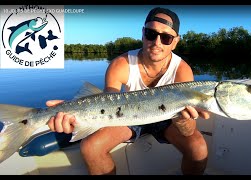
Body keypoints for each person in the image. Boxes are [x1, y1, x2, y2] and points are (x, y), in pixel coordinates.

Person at [46, 7, 211, 175]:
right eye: (151, 34)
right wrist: (76, 110)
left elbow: (188, 130)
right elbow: (107, 103)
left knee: (198, 148)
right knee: (90, 147)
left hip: (169, 118)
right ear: (142, 33)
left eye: (166, 38)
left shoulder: (182, 70)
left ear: (175, 41)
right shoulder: (121, 64)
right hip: (128, 115)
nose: (157, 43)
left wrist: (184, 122)